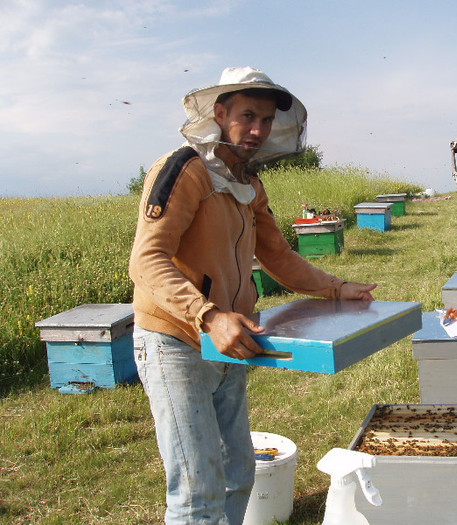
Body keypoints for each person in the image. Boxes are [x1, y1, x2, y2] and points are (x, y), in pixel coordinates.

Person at [129, 66, 376, 524]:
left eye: (265, 120)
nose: (258, 129)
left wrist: (337, 288)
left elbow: (278, 256)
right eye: (247, 116)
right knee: (197, 490)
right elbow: (146, 260)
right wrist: (208, 315)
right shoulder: (185, 169)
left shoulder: (247, 184)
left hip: (230, 339)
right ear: (220, 114)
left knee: (238, 472)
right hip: (176, 340)